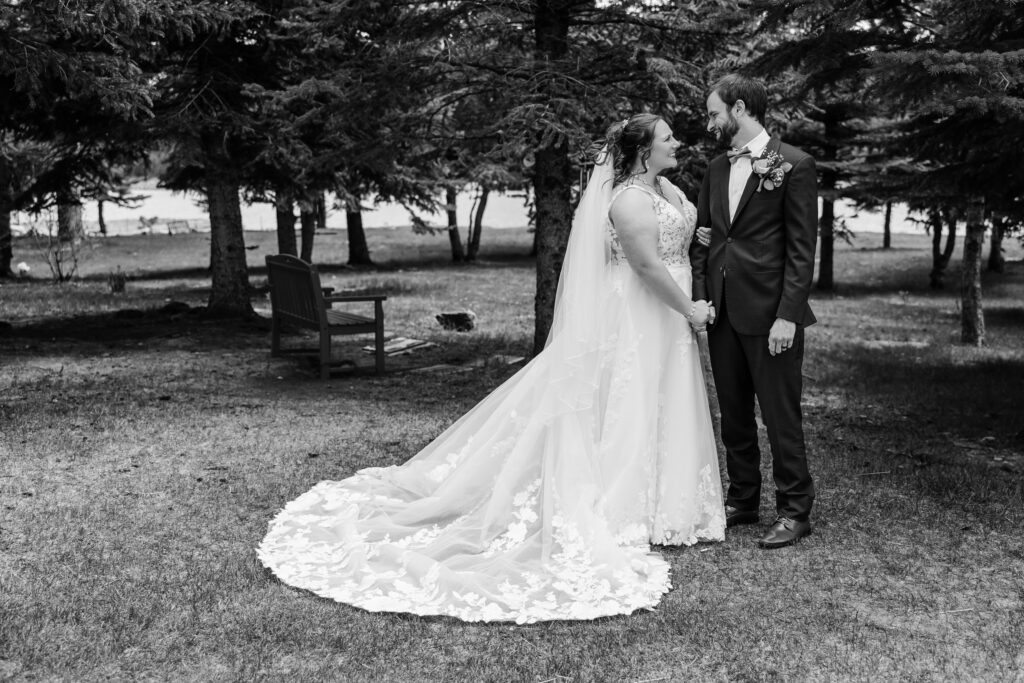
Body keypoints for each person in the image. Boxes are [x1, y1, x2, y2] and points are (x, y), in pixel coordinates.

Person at [257, 114, 725, 624]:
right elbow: (646, 265)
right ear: (643, 150)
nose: (677, 142)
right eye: (667, 138)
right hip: (642, 311)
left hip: (667, 314)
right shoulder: (630, 199)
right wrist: (690, 308)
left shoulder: (667, 187)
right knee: (627, 404)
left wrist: (693, 240)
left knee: (664, 402)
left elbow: (676, 241)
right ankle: (623, 508)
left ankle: (669, 508)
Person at [689, 74, 818, 549]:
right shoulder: (716, 168)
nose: (709, 124)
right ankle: (743, 499)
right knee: (735, 414)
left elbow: (802, 251)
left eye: (714, 114)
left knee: (781, 415)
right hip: (722, 312)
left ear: (739, 109)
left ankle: (795, 509)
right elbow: (705, 239)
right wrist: (703, 298)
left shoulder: (795, 165)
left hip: (770, 316)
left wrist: (788, 314)